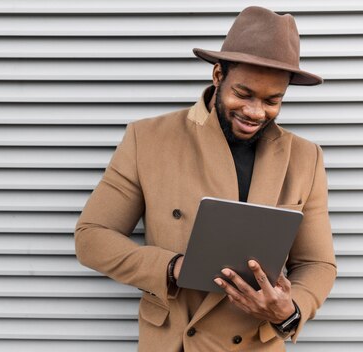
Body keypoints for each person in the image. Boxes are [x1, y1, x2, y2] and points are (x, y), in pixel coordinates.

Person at [74, 6, 337, 351]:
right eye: (243, 94)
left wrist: (289, 309)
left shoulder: (304, 157)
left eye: (273, 100)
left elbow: (317, 263)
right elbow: (92, 237)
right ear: (217, 75)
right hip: (177, 342)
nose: (256, 112)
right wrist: (172, 268)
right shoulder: (149, 139)